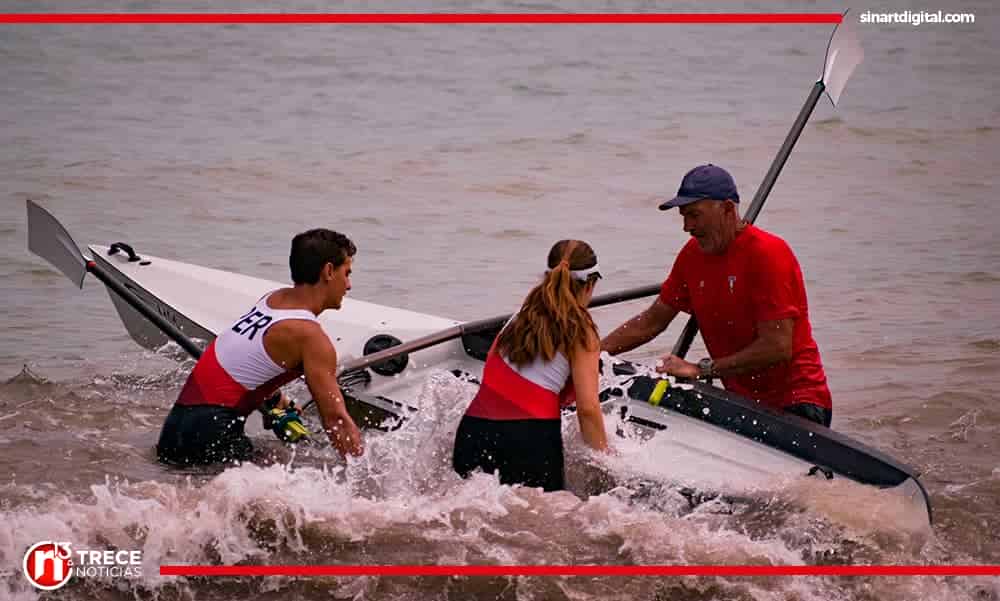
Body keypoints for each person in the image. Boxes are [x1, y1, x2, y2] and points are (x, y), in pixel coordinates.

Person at [600, 164, 833, 426]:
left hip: (798, 401)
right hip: (739, 401)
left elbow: (778, 346)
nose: (687, 227)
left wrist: (701, 369)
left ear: (727, 209)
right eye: (683, 216)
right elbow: (653, 321)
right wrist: (594, 354)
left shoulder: (769, 253)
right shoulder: (692, 255)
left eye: (695, 215)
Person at [156, 229, 365, 465]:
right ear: (328, 271)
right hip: (212, 434)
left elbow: (246, 361)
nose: (348, 285)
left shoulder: (272, 300)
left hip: (174, 429)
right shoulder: (312, 337)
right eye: (346, 273)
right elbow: (336, 419)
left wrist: (273, 398)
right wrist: (364, 472)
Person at [453, 240, 611, 491]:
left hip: (474, 430)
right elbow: (588, 409)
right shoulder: (582, 330)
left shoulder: (518, 318)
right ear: (591, 284)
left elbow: (491, 371)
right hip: (530, 437)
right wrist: (608, 466)